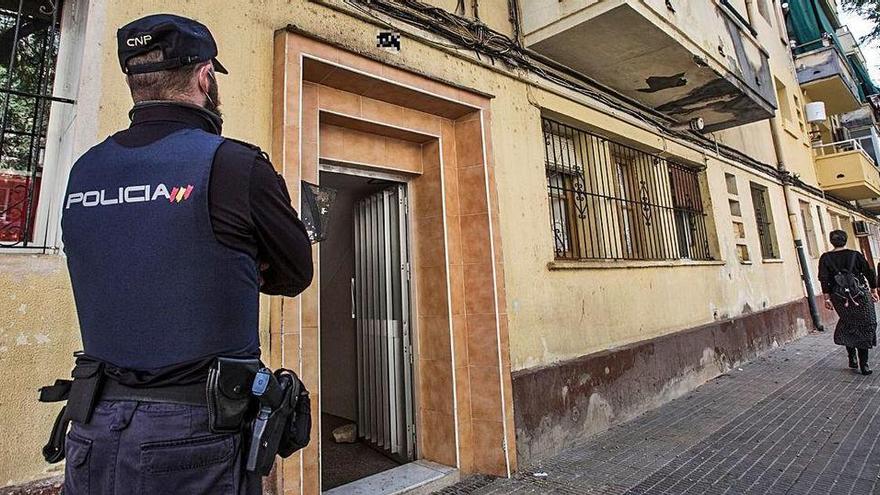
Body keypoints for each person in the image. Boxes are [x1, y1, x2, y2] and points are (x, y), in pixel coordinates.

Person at [50, 14, 312, 495]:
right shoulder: (235, 163)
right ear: (204, 76)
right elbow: (295, 272)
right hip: (193, 440)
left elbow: (114, 261)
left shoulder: (84, 170)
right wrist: (232, 264)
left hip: (91, 430)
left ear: (135, 82)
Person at [818, 230, 879, 376]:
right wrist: (873, 290)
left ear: (831, 241)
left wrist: (827, 298)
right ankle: (864, 364)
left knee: (848, 322)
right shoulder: (855, 255)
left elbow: (823, 279)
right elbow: (869, 272)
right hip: (860, 296)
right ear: (845, 240)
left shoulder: (825, 258)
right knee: (865, 324)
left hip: (838, 297)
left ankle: (851, 357)